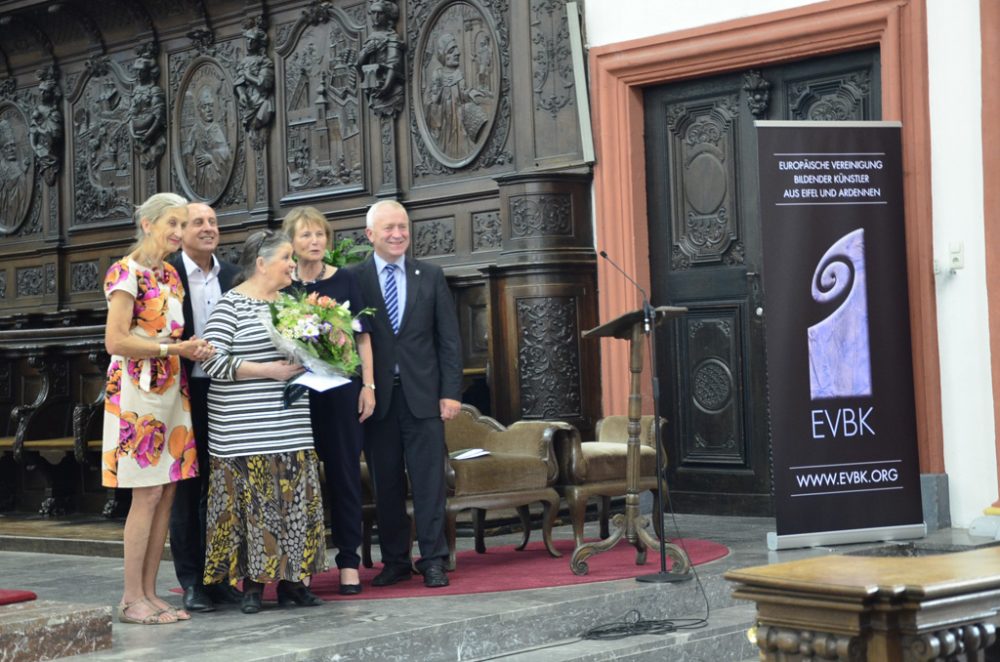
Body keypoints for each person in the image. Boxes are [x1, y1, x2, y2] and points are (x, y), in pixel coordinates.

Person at [102, 192, 215, 625]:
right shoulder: (125, 272)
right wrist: (173, 347)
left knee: (167, 491)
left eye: (181, 224)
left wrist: (191, 348)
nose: (178, 231)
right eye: (172, 223)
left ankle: (150, 592)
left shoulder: (169, 273)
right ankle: (131, 598)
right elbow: (116, 341)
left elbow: (170, 331)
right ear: (147, 224)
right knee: (145, 493)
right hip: (136, 394)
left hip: (171, 390)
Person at [201, 230, 327, 614]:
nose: (294, 262)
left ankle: (294, 583)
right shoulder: (231, 305)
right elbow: (211, 361)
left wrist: (322, 352)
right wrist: (266, 370)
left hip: (290, 424)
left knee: (293, 505)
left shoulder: (291, 304)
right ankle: (252, 587)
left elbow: (309, 351)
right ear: (261, 263)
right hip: (243, 432)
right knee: (254, 509)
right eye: (287, 257)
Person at [352, 200, 462, 588]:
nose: (398, 234)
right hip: (376, 400)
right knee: (386, 483)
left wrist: (450, 393)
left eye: (403, 227)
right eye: (389, 228)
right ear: (370, 235)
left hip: (424, 397)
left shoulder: (430, 275)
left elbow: (448, 339)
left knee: (429, 481)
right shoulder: (355, 278)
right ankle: (396, 561)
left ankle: (433, 560)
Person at [283, 206, 374, 595]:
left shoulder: (346, 280)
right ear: (291, 242)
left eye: (320, 234)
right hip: (297, 393)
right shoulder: (282, 286)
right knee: (298, 480)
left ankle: (349, 563)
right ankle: (303, 563)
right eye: (306, 235)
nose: (315, 241)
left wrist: (368, 385)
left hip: (340, 390)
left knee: (344, 476)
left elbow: (362, 337)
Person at [166, 202, 240, 612]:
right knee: (187, 491)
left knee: (222, 491)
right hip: (182, 396)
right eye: (199, 222)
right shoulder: (168, 275)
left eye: (213, 222)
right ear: (181, 230)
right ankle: (192, 581)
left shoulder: (232, 275)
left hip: (227, 395)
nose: (208, 228)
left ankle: (221, 577)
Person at [183, 87, 230, 198]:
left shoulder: (217, 129)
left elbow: (227, 154)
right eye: (205, 106)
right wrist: (192, 161)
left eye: (211, 105)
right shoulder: (195, 130)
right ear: (199, 110)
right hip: (201, 179)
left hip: (216, 179)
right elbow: (186, 152)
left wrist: (211, 157)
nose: (208, 110)